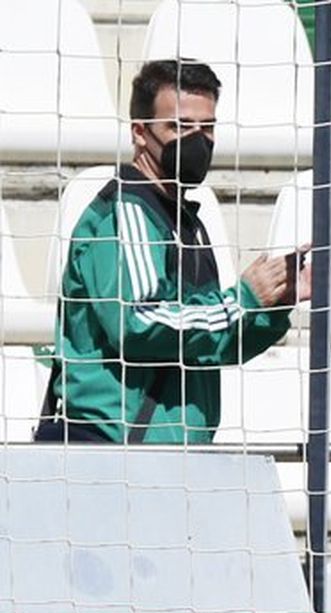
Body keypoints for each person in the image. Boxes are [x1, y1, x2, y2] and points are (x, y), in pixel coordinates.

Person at [39, 59, 306, 444]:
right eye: (180, 126)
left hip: (173, 452)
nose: (198, 141)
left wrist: (271, 305)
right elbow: (140, 324)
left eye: (208, 127)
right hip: (117, 454)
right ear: (140, 133)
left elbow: (209, 344)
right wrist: (243, 300)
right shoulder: (125, 213)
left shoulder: (185, 219)